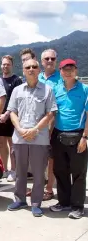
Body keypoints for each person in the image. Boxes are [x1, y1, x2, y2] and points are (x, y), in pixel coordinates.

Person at [7, 59, 57, 217]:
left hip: (39, 138)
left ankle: (36, 203)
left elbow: (51, 113)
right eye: (27, 67)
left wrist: (35, 129)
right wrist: (20, 129)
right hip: (20, 137)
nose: (31, 69)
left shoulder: (47, 90)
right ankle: (20, 199)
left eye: (34, 67)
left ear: (38, 70)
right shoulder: (17, 90)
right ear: (23, 71)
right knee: (20, 171)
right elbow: (12, 112)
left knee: (38, 172)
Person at [50, 59, 88, 219]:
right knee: (60, 170)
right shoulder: (55, 89)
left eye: (71, 68)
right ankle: (64, 202)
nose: (68, 71)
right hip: (58, 134)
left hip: (78, 134)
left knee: (78, 172)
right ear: (61, 72)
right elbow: (52, 114)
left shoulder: (85, 89)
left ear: (76, 70)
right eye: (65, 69)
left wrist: (85, 137)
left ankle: (78, 206)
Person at [38, 49, 61, 201]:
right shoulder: (37, 76)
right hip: (37, 125)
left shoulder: (61, 78)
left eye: (53, 58)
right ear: (42, 61)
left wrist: (51, 128)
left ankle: (49, 189)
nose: (50, 60)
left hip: (54, 125)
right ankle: (38, 187)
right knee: (38, 159)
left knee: (51, 159)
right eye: (47, 58)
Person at [0, 55, 22, 181]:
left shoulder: (17, 80)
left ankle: (13, 169)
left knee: (12, 144)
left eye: (8, 64)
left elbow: (17, 100)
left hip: (12, 116)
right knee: (1, 144)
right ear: (1, 65)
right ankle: (4, 169)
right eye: (4, 64)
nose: (5, 66)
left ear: (12, 65)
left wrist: (7, 113)